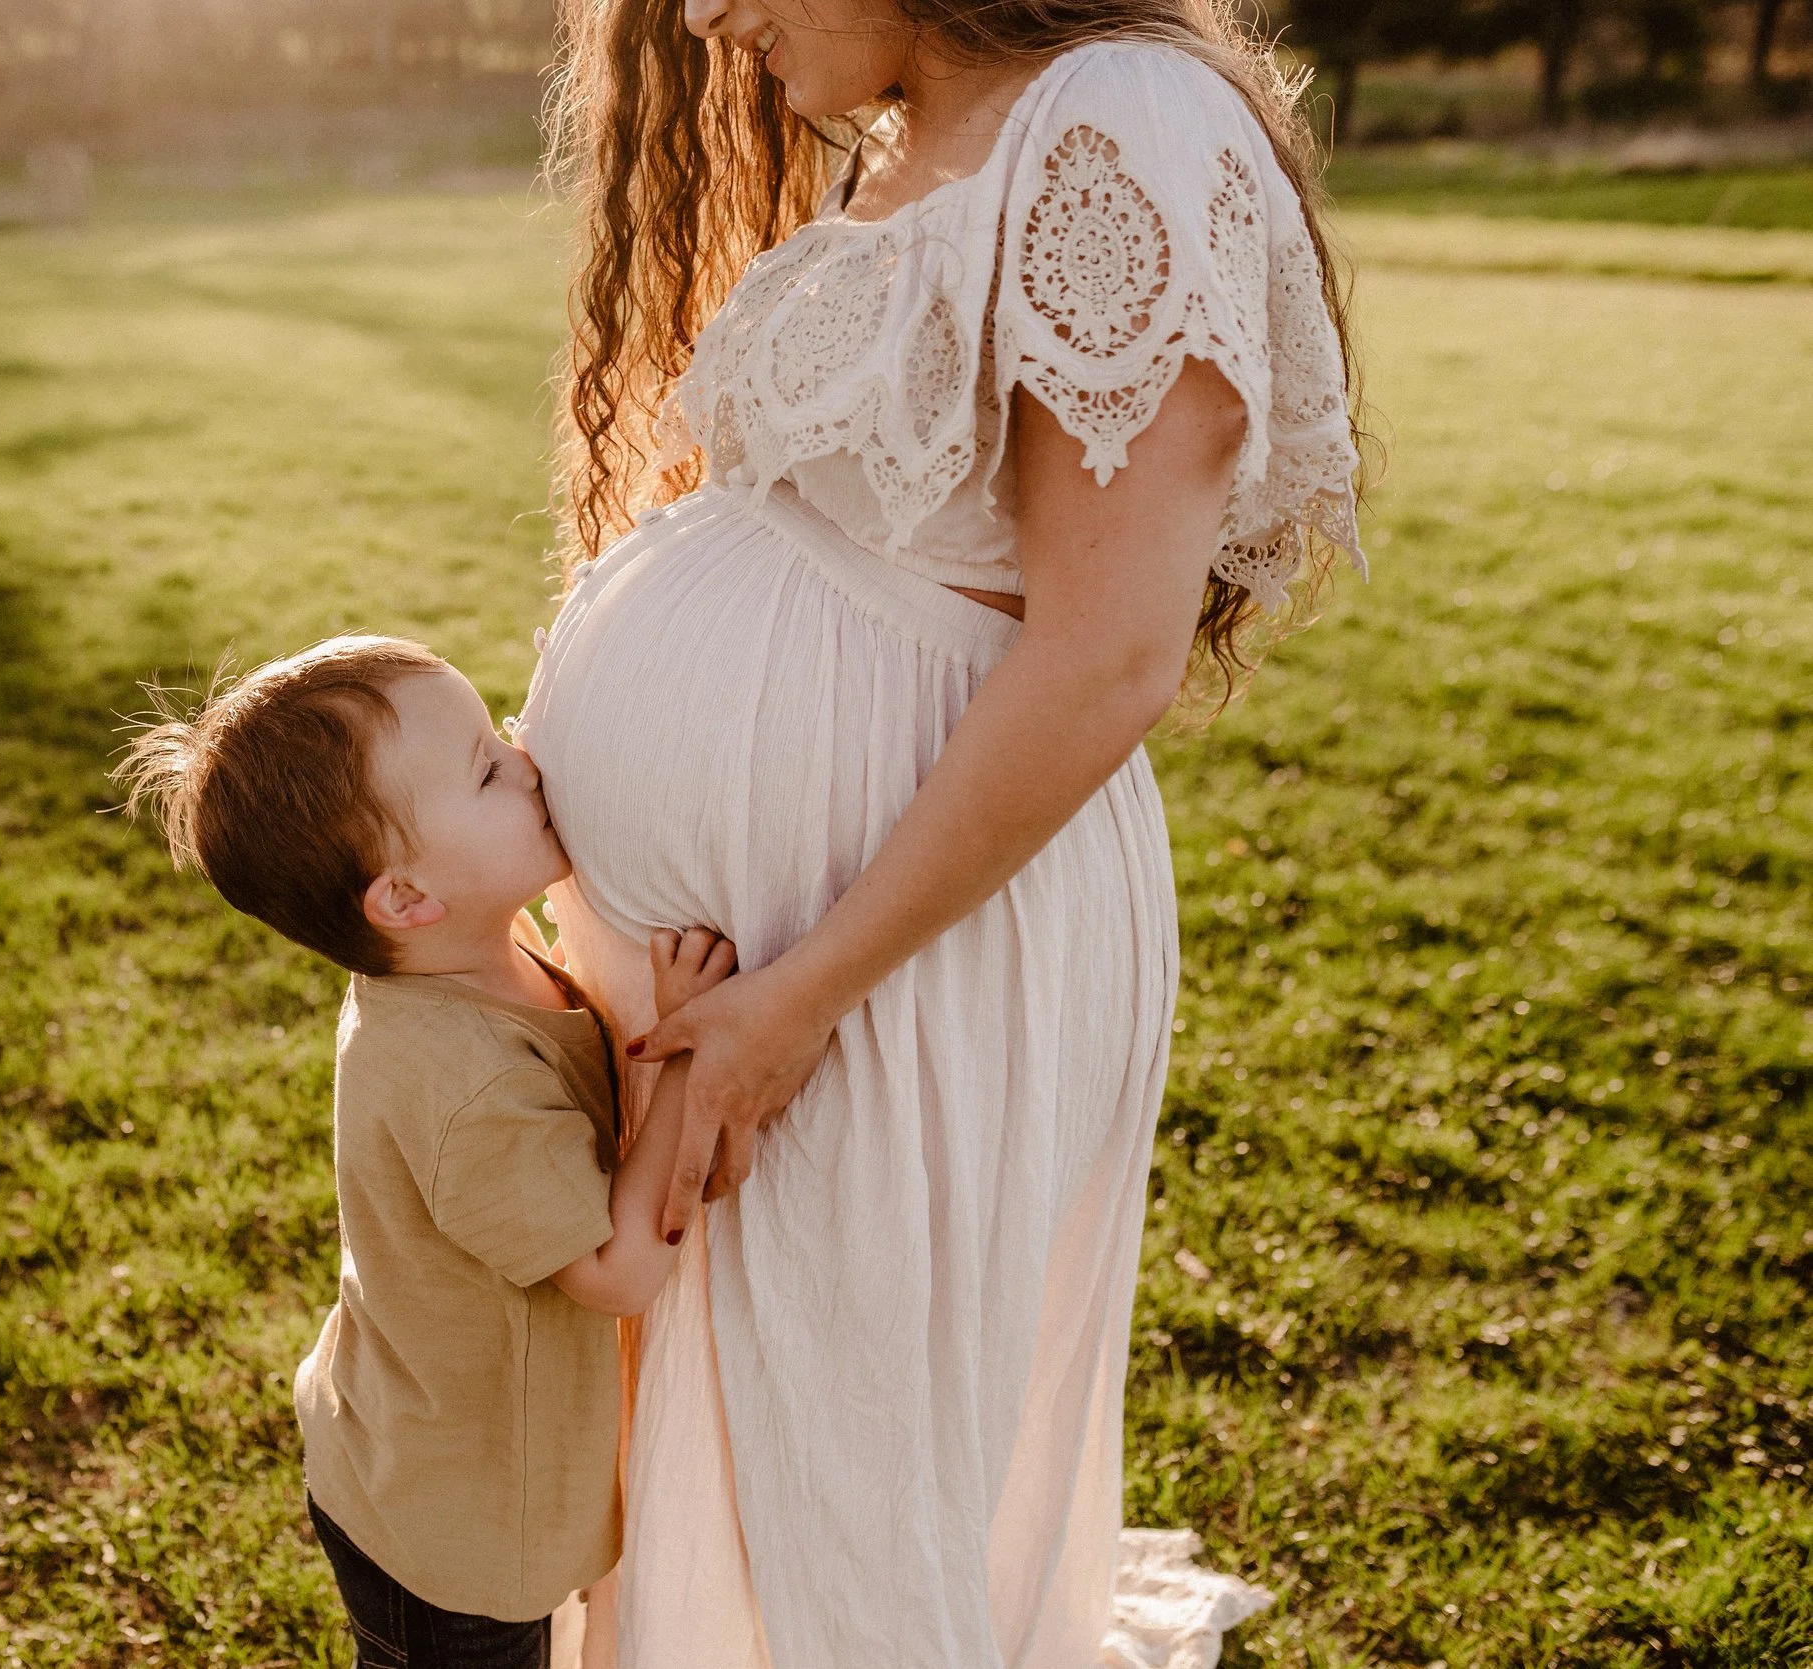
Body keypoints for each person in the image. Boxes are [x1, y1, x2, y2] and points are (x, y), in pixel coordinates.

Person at [518, 1, 1364, 1664]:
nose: (703, 15)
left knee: (849, 1481)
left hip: (897, 953)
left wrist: (802, 989)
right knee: (750, 1459)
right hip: (780, 972)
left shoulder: (1120, 111)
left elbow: (1109, 643)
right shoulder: (909, 140)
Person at [117, 635, 736, 1668]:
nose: (528, 762)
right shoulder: (468, 1085)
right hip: (449, 1534)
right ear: (405, 898)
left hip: (416, 1449)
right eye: (489, 768)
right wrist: (686, 1047)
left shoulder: (470, 961)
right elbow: (619, 1271)